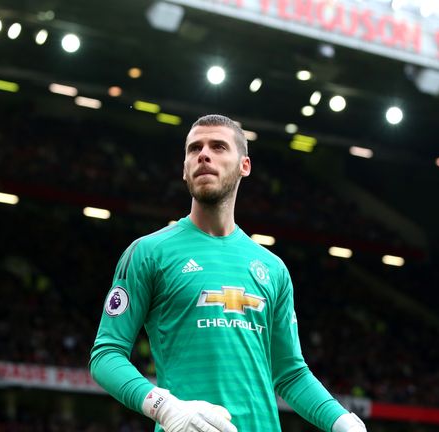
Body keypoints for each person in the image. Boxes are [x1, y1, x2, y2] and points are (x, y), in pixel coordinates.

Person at [89, 114, 366, 432]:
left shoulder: (272, 268)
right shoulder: (148, 253)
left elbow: (289, 372)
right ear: (184, 169)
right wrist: (164, 407)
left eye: (218, 146)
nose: (203, 154)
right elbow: (106, 354)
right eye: (194, 149)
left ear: (244, 166)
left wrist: (341, 421)